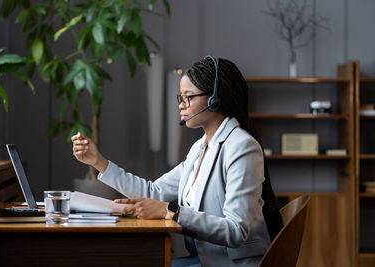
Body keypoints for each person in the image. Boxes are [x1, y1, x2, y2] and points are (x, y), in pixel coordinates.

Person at [71, 56, 283, 267]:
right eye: (180, 97)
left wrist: (169, 211)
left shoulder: (241, 147)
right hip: (202, 260)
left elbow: (237, 231)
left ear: (214, 99)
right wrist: (98, 162)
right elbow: (153, 192)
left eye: (188, 97)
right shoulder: (200, 149)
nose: (181, 105)